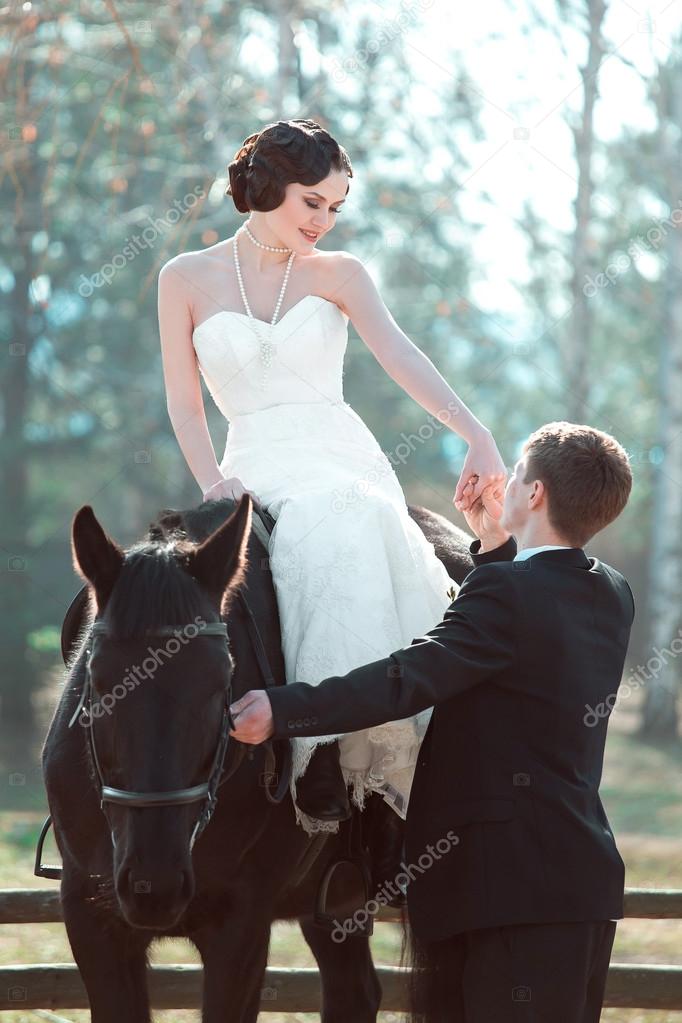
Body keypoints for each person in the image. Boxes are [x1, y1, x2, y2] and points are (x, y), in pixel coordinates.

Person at [158, 117, 506, 839]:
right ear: (266, 187)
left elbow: (403, 357)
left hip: (336, 452)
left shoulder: (339, 273)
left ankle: (320, 744)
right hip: (249, 457)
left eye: (335, 208)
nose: (323, 219)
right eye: (312, 201)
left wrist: (476, 433)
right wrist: (211, 481)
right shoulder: (182, 278)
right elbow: (185, 408)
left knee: (337, 516)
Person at [230, 421, 635, 1023]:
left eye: (517, 473)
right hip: (577, 888)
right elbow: (527, 628)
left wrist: (283, 709)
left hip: (502, 894)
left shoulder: (506, 592)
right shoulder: (612, 592)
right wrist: (499, 548)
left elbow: (408, 676)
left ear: (536, 494)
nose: (505, 480)